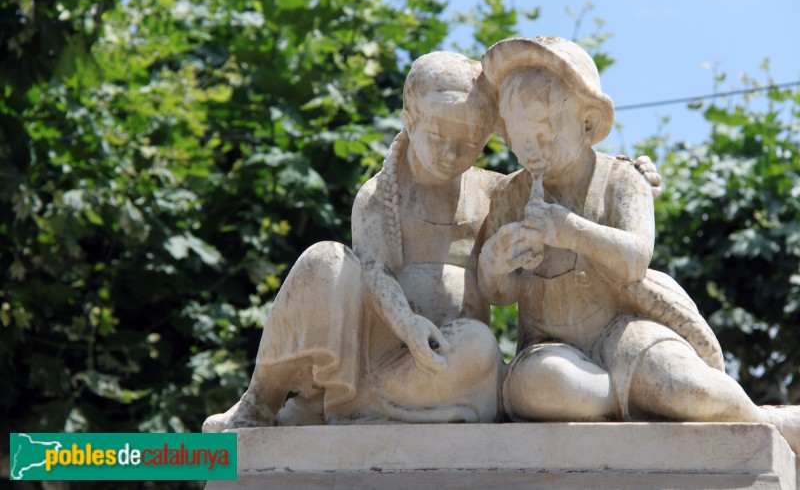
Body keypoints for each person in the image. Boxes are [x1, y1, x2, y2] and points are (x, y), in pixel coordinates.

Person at [477, 36, 799, 450]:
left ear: (587, 123)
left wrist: (571, 230)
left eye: (546, 135)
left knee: (686, 385)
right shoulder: (509, 196)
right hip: (550, 349)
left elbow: (635, 259)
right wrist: (495, 265)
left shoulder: (623, 180)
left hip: (625, 332)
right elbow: (500, 294)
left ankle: (763, 421)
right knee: (540, 387)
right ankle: (629, 399)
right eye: (521, 141)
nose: (533, 150)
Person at [203, 51, 505, 430]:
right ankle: (262, 400)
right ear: (409, 121)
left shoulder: (494, 193)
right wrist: (408, 324)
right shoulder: (378, 195)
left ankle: (358, 406)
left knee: (480, 346)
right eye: (439, 135)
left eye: (469, 143)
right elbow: (375, 271)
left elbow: (512, 283)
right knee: (325, 260)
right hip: (374, 357)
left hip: (447, 361)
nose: (450, 153)